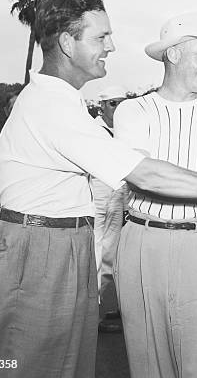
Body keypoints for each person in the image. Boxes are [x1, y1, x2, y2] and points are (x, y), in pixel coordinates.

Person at [0, 0, 197, 378]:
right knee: (20, 364)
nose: (111, 46)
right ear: (68, 42)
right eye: (101, 37)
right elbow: (141, 174)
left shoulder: (64, 103)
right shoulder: (51, 104)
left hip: (57, 244)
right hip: (37, 249)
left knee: (62, 365)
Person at [114, 11, 197, 378]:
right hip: (141, 240)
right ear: (173, 54)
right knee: (146, 356)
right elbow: (143, 179)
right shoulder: (131, 110)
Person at [91, 85, 127, 333]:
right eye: (113, 103)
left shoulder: (125, 130)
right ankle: (90, 317)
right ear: (101, 106)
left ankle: (104, 311)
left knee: (110, 258)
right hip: (96, 196)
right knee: (93, 256)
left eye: (121, 103)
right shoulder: (91, 129)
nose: (118, 108)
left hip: (118, 197)